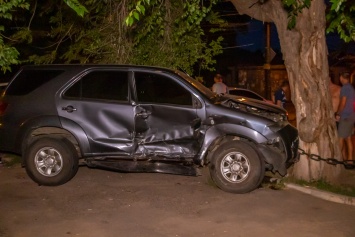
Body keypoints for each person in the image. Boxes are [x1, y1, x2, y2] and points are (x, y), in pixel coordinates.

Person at [335, 72, 355, 162]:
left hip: (346, 117)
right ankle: (350, 160)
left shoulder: (345, 88)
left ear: (341, 78)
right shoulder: (351, 88)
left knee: (341, 138)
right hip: (351, 116)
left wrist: (338, 113)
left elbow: (343, 102)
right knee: (348, 138)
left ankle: (337, 160)